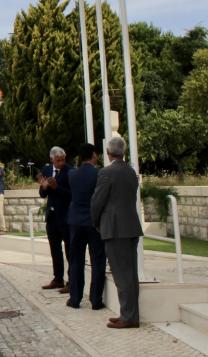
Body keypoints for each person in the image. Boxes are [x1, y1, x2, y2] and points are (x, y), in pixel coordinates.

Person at [91, 136, 143, 329]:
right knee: (130, 274)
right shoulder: (131, 171)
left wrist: (96, 222)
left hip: (115, 228)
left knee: (121, 275)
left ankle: (128, 317)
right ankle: (129, 313)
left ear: (108, 152)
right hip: (131, 226)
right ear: (123, 151)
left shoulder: (106, 172)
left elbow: (97, 201)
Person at [67, 143, 106, 310]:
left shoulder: (72, 174)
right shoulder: (99, 174)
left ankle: (75, 298)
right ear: (93, 155)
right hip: (94, 222)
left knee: (76, 260)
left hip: (75, 221)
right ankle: (95, 299)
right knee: (98, 260)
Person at [39, 146, 72, 292]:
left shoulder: (70, 171)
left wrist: (56, 187)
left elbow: (71, 194)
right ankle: (58, 279)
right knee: (55, 249)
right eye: (58, 160)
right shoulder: (46, 171)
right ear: (52, 159)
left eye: (63, 160)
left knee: (69, 249)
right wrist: (45, 187)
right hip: (51, 217)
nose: (61, 163)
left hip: (65, 216)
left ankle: (72, 281)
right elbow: (42, 194)